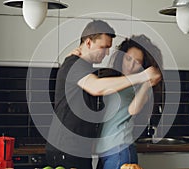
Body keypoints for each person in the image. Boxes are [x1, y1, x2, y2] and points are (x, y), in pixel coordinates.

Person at [45, 20, 162, 169]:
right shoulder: (75, 64)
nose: (107, 53)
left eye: (108, 48)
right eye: (103, 47)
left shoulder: (82, 66)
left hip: (80, 149)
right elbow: (96, 88)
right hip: (67, 148)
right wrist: (143, 76)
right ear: (88, 43)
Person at [95, 34, 163, 169]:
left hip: (120, 148)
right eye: (128, 59)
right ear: (122, 57)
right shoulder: (116, 80)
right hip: (105, 150)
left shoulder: (142, 85)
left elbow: (133, 110)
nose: (131, 65)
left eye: (137, 62)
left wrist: (146, 83)